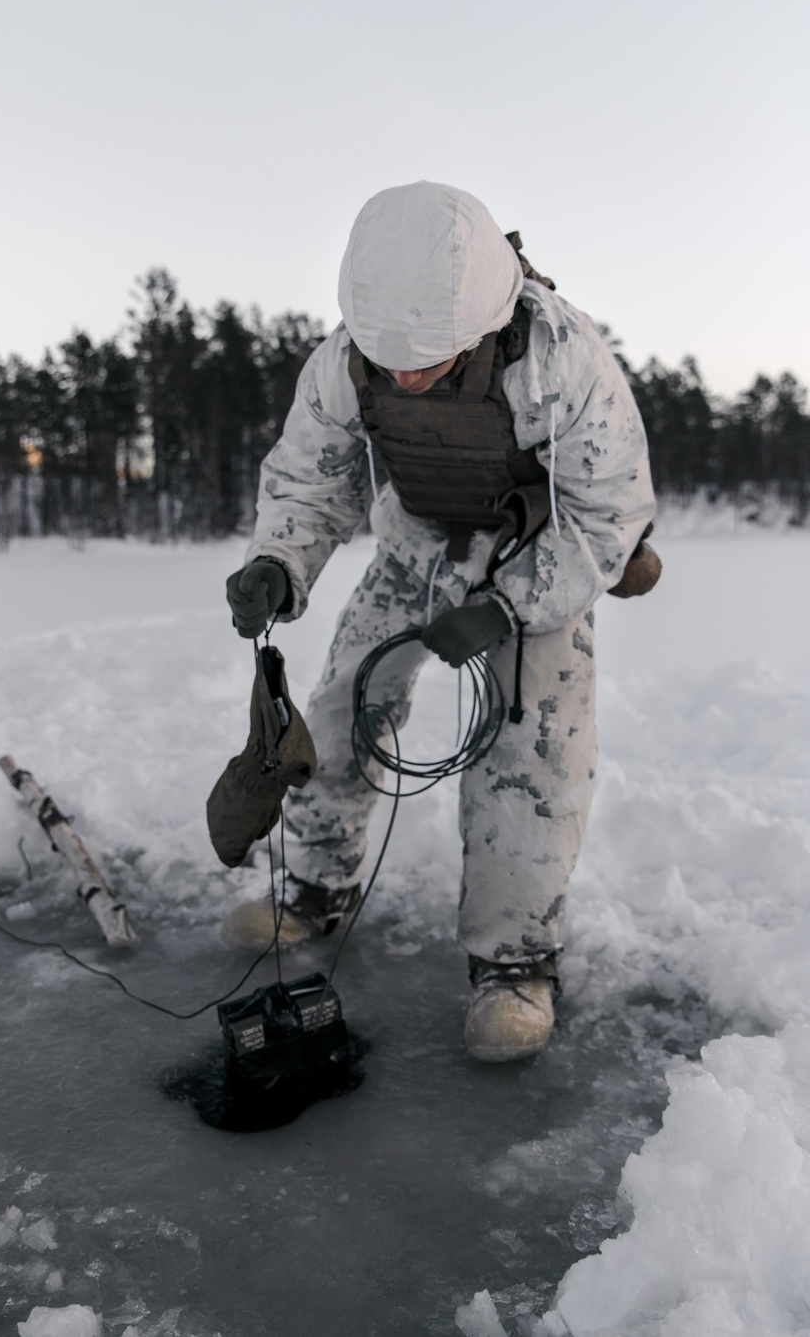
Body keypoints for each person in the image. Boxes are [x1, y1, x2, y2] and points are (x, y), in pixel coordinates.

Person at [222, 181, 656, 1063]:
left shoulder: (566, 358)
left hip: (537, 557)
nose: (403, 374)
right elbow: (312, 477)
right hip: (415, 542)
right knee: (343, 706)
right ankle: (316, 888)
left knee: (529, 751)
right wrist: (280, 561)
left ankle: (515, 962)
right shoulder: (345, 360)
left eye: (424, 357)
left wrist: (506, 607)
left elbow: (608, 520)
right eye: (391, 358)